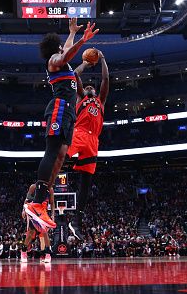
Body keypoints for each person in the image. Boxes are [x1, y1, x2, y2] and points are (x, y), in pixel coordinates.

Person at [24, 19, 99, 231]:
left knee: (62, 154)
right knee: (52, 150)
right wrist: (83, 40)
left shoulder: (64, 64)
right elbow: (66, 53)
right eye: (61, 45)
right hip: (59, 107)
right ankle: (37, 201)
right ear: (54, 49)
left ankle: (43, 201)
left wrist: (72, 32)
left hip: (69, 114)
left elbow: (67, 52)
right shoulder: (53, 60)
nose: (63, 46)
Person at [66, 50, 109, 240]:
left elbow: (106, 80)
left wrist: (103, 59)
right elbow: (74, 75)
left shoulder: (101, 101)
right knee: (58, 158)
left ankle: (76, 221)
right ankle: (38, 199)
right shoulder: (81, 97)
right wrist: (85, 63)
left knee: (86, 183)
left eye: (93, 86)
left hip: (93, 141)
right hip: (79, 133)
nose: (91, 87)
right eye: (88, 86)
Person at [21, 184, 54, 263]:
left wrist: (52, 214)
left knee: (45, 232)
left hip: (43, 212)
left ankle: (47, 254)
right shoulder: (33, 187)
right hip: (32, 211)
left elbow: (52, 203)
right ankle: (23, 251)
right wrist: (23, 210)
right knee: (30, 233)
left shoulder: (50, 189)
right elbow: (26, 200)